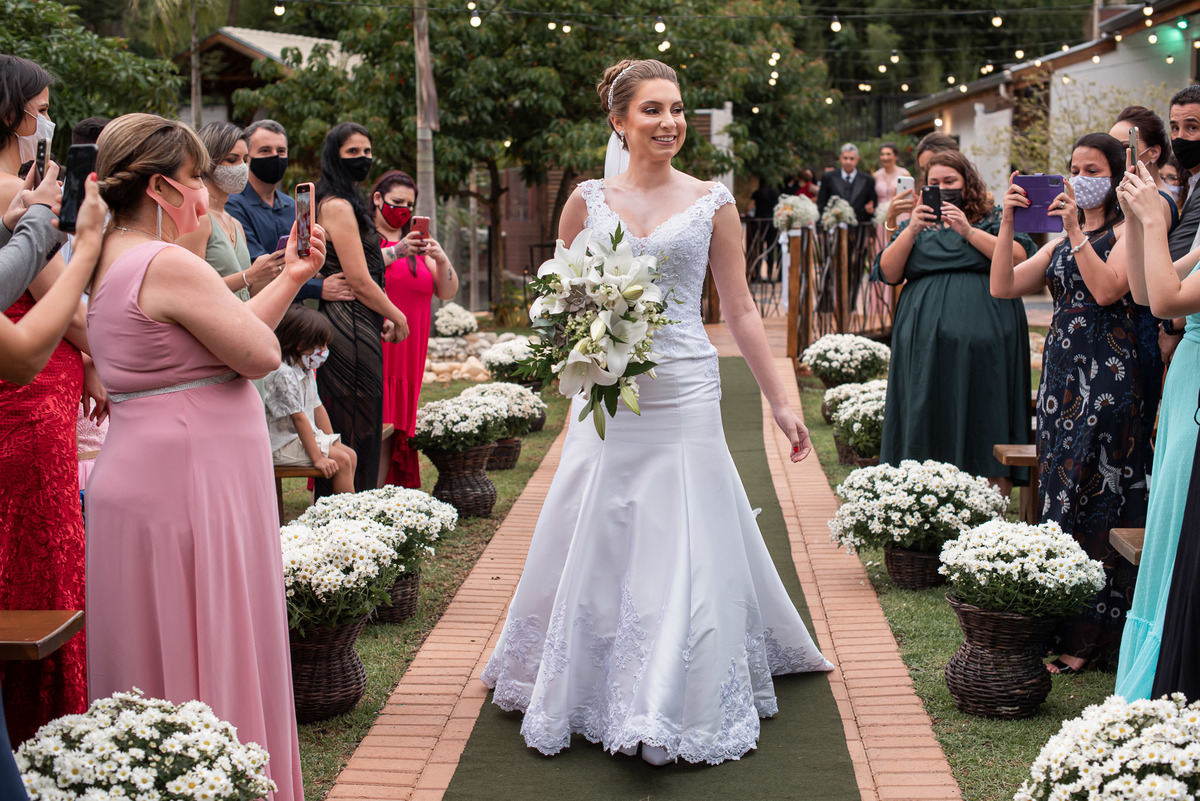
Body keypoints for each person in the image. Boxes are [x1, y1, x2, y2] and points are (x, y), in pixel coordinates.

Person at [480, 58, 832, 767]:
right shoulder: (585, 200)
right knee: (602, 518)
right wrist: (580, 356)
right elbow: (561, 300)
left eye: (677, 109)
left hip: (686, 385)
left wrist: (783, 402)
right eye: (652, 110)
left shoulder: (714, 201)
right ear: (618, 120)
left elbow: (737, 308)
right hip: (608, 391)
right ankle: (592, 666)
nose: (670, 121)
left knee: (685, 528)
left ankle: (669, 686)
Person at [86, 113, 322, 800]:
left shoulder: (107, 256)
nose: (203, 194)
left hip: (156, 468)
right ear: (161, 187)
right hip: (192, 481)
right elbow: (258, 353)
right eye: (195, 179)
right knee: (208, 644)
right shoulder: (167, 260)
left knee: (158, 653)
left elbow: (225, 337)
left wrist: (293, 274)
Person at [991, 133, 1149, 675]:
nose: (1081, 176)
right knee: (1060, 492)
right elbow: (1004, 286)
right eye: (1074, 167)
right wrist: (1009, 222)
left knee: (1099, 495)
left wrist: (1078, 232)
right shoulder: (1057, 238)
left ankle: (1088, 640)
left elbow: (1108, 291)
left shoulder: (1128, 229)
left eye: (1092, 168)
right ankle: (1056, 622)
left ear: (1112, 176)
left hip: (1108, 379)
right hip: (1061, 379)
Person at [0, 55, 99, 744]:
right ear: (13, 112)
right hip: (31, 398)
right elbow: (63, 307)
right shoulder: (13, 191)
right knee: (43, 563)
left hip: (36, 394)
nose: (46, 120)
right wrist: (101, 352)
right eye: (41, 108)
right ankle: (48, 727)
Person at [874, 150, 1032, 489]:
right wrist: (911, 228)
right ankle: (921, 490)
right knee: (927, 408)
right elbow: (888, 271)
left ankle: (991, 498)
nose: (943, 188)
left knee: (985, 409)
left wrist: (967, 230)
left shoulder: (991, 217)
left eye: (950, 181)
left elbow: (1019, 257)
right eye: (934, 183)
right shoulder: (913, 224)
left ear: (967, 183)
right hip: (924, 341)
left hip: (988, 339)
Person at [1114, 159, 1200, 700]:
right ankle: (1155, 665)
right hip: (1187, 380)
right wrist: (1141, 221)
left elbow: (1170, 302)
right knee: (1171, 520)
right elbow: (1149, 294)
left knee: (1184, 523)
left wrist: (1154, 221)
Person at [314, 122, 409, 496]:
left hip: (361, 323)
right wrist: (397, 314)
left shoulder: (348, 200)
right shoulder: (335, 205)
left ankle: (354, 513)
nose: (363, 159)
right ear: (333, 156)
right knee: (353, 425)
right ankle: (345, 516)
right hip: (347, 328)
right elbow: (358, 278)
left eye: (367, 152)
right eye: (353, 152)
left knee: (363, 423)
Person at [372, 169, 458, 488]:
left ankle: (387, 493)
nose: (404, 210)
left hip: (411, 353)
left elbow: (447, 291)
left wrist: (440, 256)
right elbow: (359, 268)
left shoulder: (418, 247)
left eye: (410, 205)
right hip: (380, 346)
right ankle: (369, 493)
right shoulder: (369, 239)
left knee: (396, 428)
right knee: (378, 423)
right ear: (377, 199)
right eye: (397, 202)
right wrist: (398, 250)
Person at [226, 119, 352, 304]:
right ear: (248, 158)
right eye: (265, 151)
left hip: (296, 308)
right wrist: (319, 288)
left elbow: (306, 259)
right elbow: (262, 268)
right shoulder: (233, 205)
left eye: (281, 151)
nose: (275, 157)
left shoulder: (293, 204)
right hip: (260, 307)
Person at [178, 122, 277, 300]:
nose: (242, 167)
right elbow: (189, 290)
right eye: (232, 160)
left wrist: (277, 271)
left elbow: (247, 293)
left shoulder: (235, 223)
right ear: (208, 161)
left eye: (246, 160)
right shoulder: (198, 218)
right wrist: (250, 275)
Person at [264, 305, 357, 494]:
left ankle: (342, 512)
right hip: (281, 445)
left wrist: (332, 441)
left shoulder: (304, 368)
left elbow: (317, 407)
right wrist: (318, 458)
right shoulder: (283, 373)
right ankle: (348, 519)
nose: (324, 350)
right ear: (300, 345)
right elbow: (298, 418)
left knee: (350, 455)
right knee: (343, 460)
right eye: (320, 345)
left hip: (297, 440)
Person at [884, 132, 958, 234]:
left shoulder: (971, 207)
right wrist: (891, 217)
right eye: (924, 169)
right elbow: (894, 249)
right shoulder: (922, 202)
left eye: (932, 166)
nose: (929, 174)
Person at [817, 143, 876, 222]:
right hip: (835, 227)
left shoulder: (868, 180)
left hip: (859, 227)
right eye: (845, 158)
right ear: (840, 158)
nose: (848, 162)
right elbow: (822, 203)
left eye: (852, 159)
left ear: (857, 159)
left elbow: (872, 204)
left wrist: (869, 210)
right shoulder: (828, 177)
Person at [872, 142, 911, 249]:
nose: (885, 157)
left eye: (888, 154)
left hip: (900, 213)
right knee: (881, 245)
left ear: (895, 156)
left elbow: (909, 196)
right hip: (881, 216)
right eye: (882, 154)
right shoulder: (876, 175)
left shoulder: (904, 174)